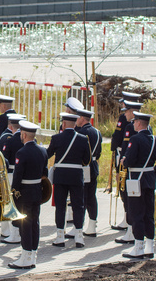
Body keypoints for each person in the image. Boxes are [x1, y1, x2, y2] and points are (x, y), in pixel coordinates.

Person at [121, 112, 156, 260]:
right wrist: (153, 173)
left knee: (137, 214)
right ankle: (149, 247)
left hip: (136, 179)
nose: (133, 124)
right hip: (149, 179)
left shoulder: (135, 139)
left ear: (139, 123)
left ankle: (138, 247)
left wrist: (124, 161)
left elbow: (130, 161)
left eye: (135, 122)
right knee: (149, 214)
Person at [46, 112, 91, 248]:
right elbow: (87, 160)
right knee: (78, 205)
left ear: (63, 124)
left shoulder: (56, 138)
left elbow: (48, 154)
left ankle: (60, 236)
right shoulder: (83, 139)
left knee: (60, 206)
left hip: (60, 176)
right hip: (76, 175)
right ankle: (79, 236)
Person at [7, 121, 47, 269]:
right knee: (35, 224)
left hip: (24, 194)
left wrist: (13, 192)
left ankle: (25, 257)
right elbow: (45, 174)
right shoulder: (42, 151)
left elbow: (17, 176)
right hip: (37, 192)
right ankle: (32, 256)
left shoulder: (21, 153)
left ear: (23, 135)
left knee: (25, 225)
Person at [109, 91, 140, 230]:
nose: (122, 107)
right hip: (124, 154)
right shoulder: (131, 121)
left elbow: (118, 137)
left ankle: (129, 221)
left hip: (125, 156)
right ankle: (128, 219)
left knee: (125, 189)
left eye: (125, 105)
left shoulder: (128, 123)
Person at [114, 99, 143, 244]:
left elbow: (127, 150)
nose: (124, 114)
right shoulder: (142, 128)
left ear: (132, 112)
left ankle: (131, 231)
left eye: (126, 111)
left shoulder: (131, 129)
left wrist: (120, 169)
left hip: (130, 169)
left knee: (129, 199)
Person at [73, 108, 102, 238]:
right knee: (91, 196)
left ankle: (78, 225)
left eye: (77, 118)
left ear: (82, 119)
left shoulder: (81, 133)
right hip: (94, 166)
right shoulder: (97, 132)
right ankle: (92, 224)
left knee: (81, 197)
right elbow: (99, 152)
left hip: (83, 166)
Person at [0, 113, 26, 244]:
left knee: (10, 203)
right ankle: (21, 231)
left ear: (11, 126)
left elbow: (4, 160)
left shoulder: (9, 140)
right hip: (26, 175)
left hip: (11, 174)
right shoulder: (28, 139)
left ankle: (14, 233)